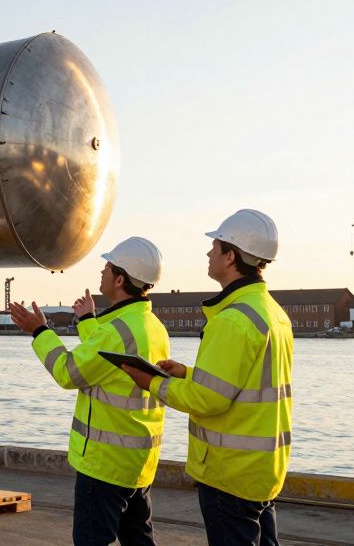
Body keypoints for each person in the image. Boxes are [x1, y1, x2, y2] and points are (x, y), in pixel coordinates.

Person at [120, 209, 293, 546]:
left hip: (229, 473)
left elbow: (207, 398)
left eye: (215, 246)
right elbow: (246, 382)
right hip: (262, 468)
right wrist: (188, 372)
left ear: (230, 256)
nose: (208, 253)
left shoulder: (231, 320)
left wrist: (152, 382)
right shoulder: (272, 312)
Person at [9, 236, 169, 546]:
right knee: (139, 539)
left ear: (120, 279)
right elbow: (108, 362)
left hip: (104, 464)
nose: (102, 272)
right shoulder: (151, 326)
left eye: (107, 267)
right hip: (138, 460)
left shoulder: (116, 332)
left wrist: (39, 331)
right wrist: (87, 321)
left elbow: (69, 372)